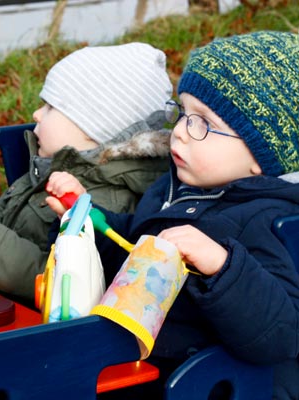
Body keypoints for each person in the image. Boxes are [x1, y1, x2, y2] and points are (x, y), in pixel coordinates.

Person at [47, 31, 299, 399]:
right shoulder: (175, 189)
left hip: (216, 387)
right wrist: (88, 218)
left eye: (203, 123)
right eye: (183, 113)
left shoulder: (265, 218)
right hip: (145, 370)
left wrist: (223, 267)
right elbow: (133, 248)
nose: (179, 132)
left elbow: (281, 335)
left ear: (262, 156)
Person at [0, 43, 173, 304]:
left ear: (91, 128)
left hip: (39, 331)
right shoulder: (52, 166)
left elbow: (71, 286)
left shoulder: (106, 201)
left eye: (50, 107)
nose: (36, 114)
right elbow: (7, 211)